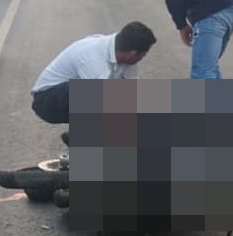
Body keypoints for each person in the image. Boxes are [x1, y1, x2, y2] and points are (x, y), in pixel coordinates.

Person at [30, 22, 157, 152]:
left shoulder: (128, 59)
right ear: (133, 53)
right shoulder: (94, 59)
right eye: (143, 54)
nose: (143, 58)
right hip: (47, 101)